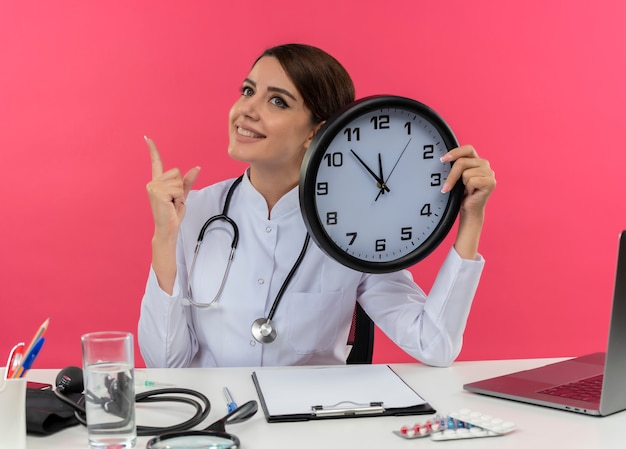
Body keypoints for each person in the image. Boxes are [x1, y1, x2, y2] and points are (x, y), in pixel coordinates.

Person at [138, 43, 496, 368]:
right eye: (248, 91)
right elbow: (166, 364)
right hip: (218, 420)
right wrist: (164, 239)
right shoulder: (194, 212)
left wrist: (470, 220)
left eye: (277, 101)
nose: (246, 109)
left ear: (316, 132)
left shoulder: (356, 233)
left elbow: (434, 344)